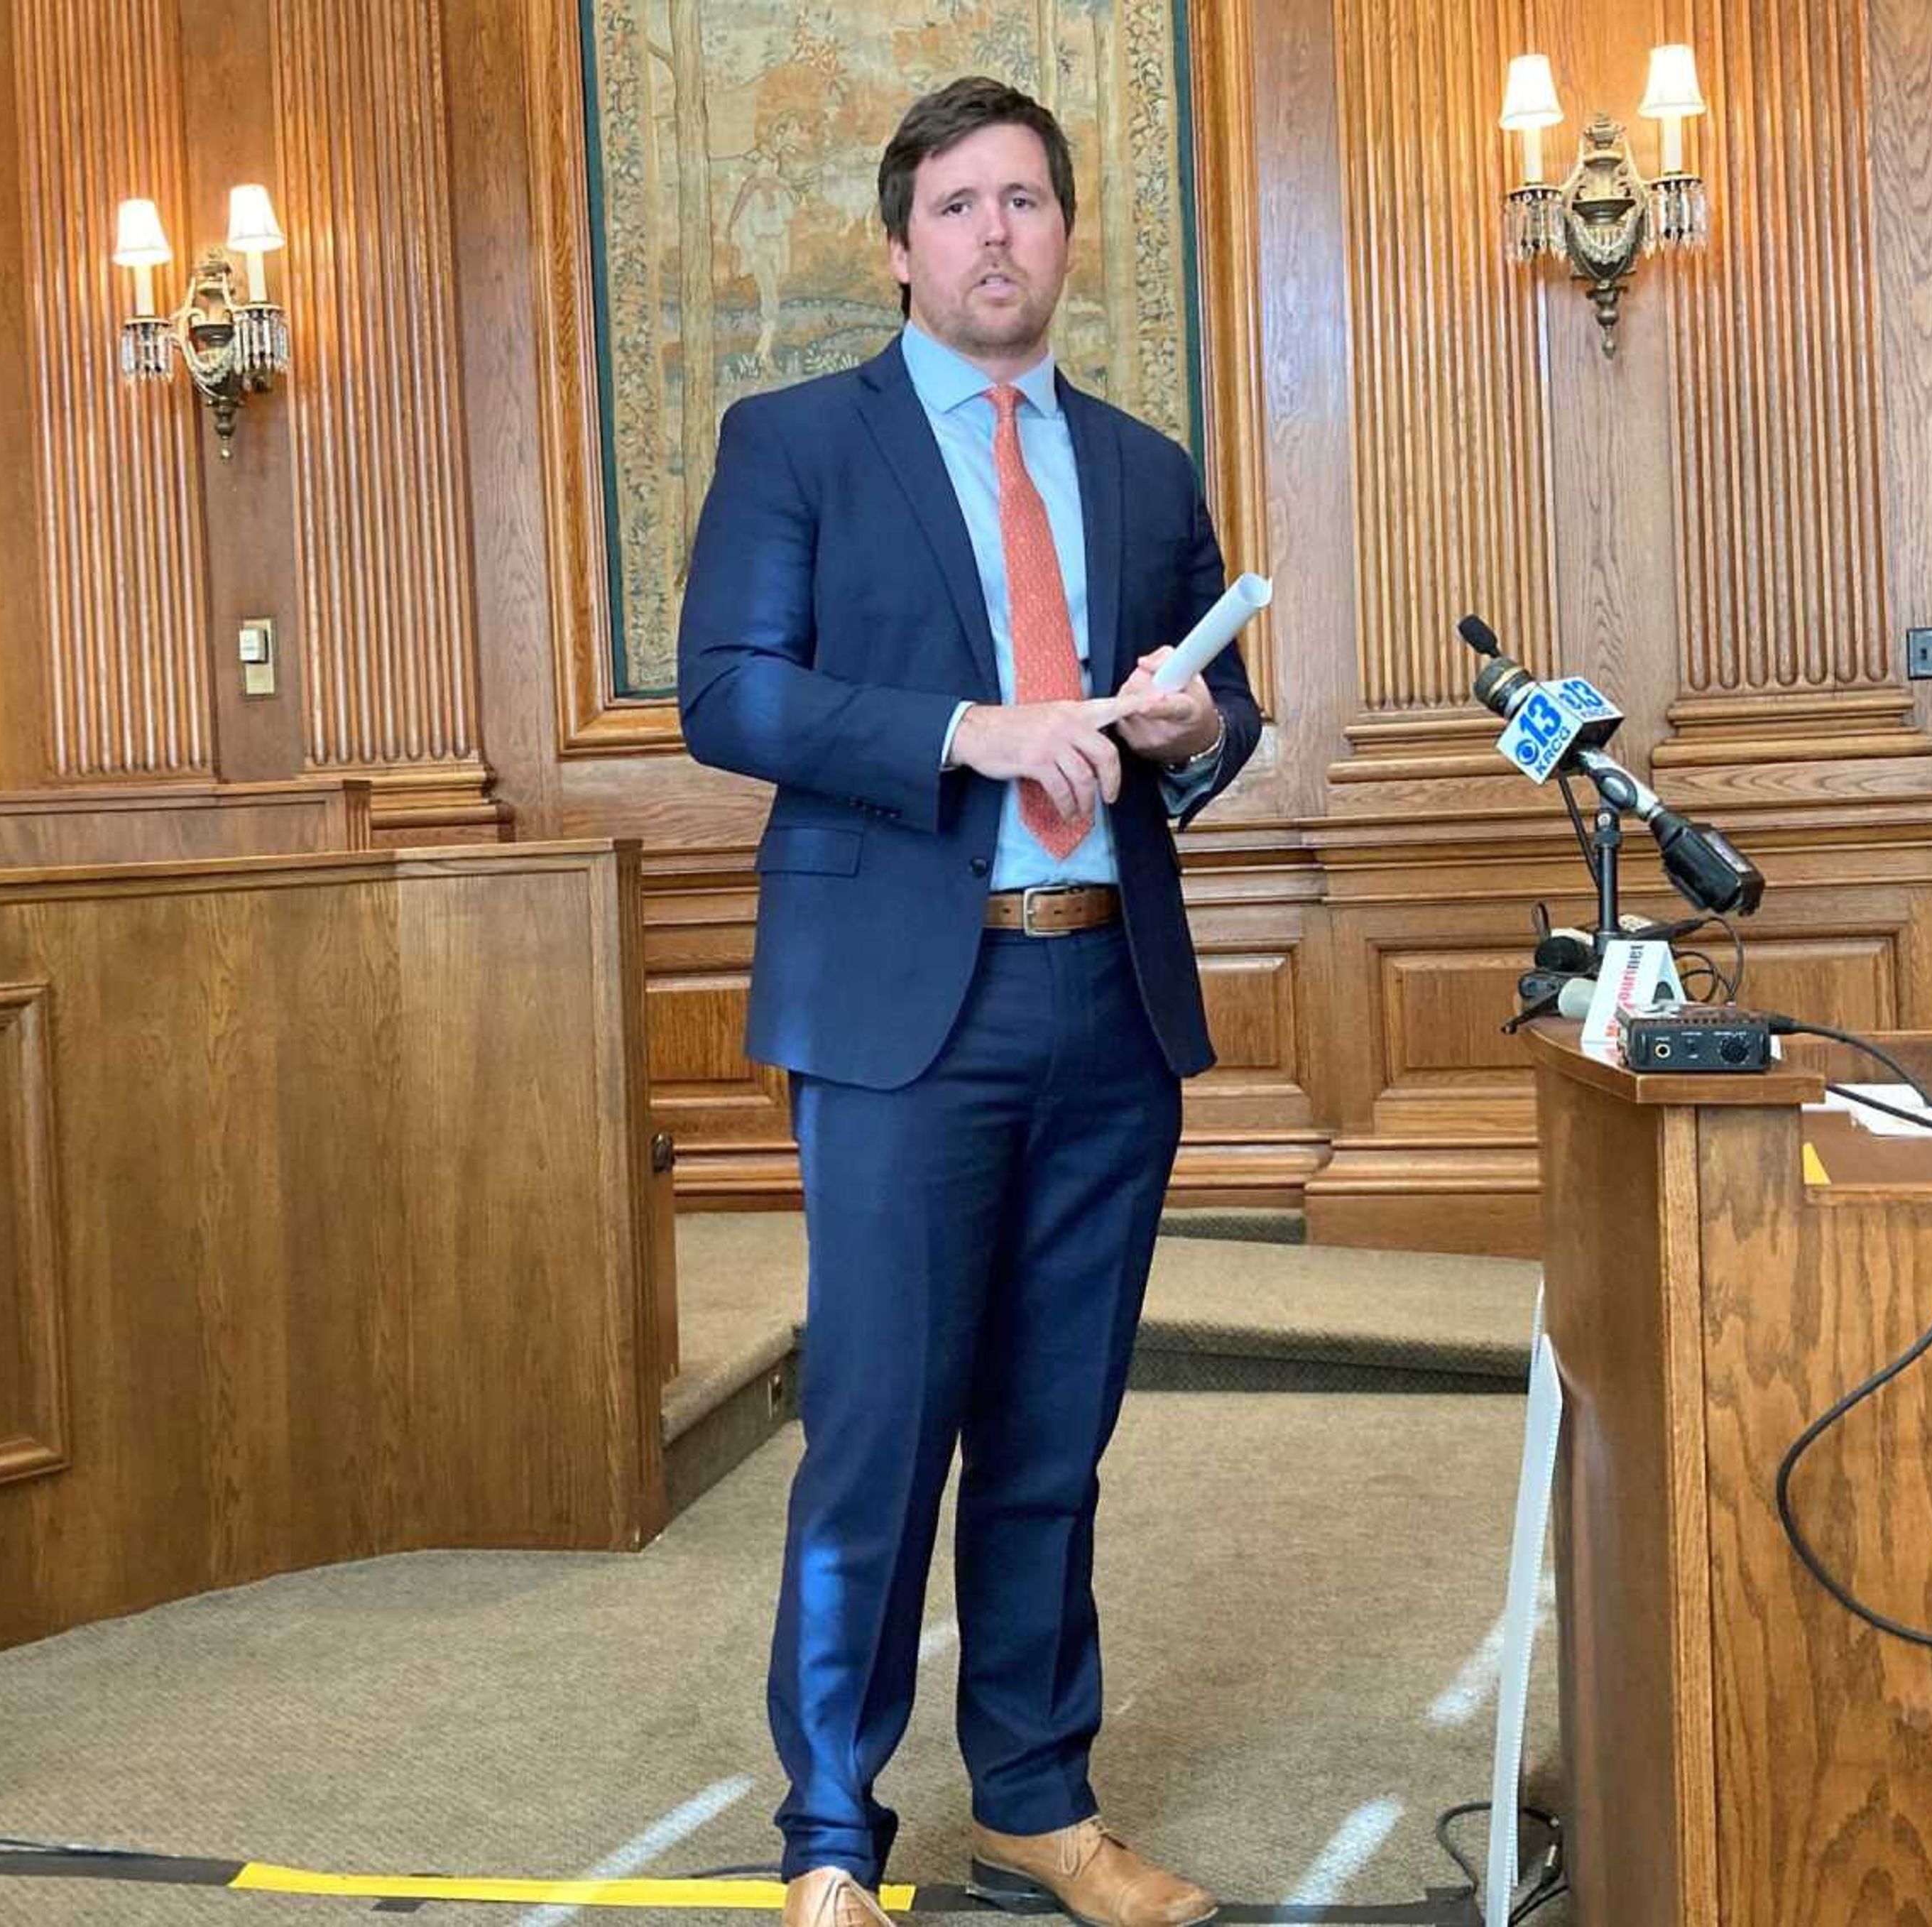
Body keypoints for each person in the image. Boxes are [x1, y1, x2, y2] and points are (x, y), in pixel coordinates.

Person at [677, 75, 1258, 1927]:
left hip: (1108, 1011)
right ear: (900, 245)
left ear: (1067, 236)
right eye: (958, 206)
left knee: (1052, 1434)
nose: (997, 232)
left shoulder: (1147, 467)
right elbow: (731, 698)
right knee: (879, 1425)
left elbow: (1215, 725)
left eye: (1026, 201)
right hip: (900, 1010)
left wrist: (1195, 724)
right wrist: (964, 730)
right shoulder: (796, 443)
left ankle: (1035, 1798)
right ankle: (830, 1832)